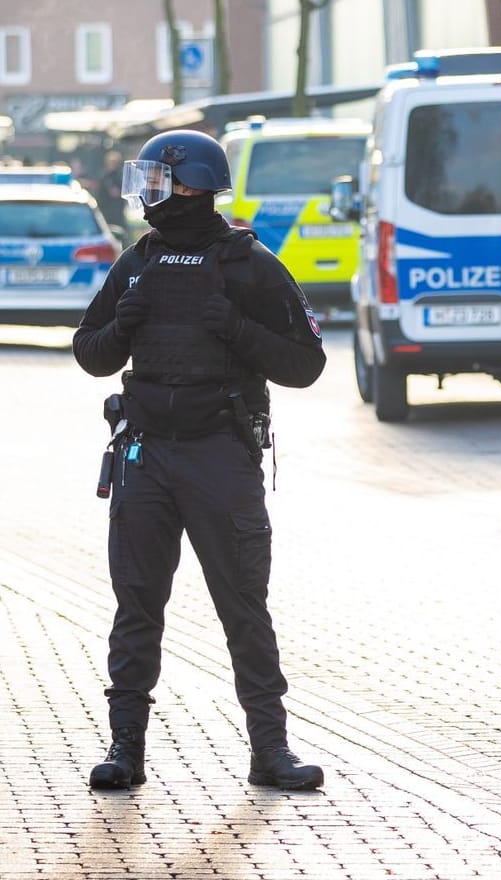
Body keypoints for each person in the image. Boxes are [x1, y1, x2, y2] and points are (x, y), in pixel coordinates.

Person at [72, 129, 327, 791]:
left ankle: (270, 753)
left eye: (163, 183)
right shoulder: (136, 262)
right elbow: (91, 352)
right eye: (148, 182)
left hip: (220, 454)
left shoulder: (252, 266)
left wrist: (237, 329)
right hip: (145, 453)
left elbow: (307, 364)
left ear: (196, 186)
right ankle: (125, 750)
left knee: (243, 606)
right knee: (137, 608)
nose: (153, 196)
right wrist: (122, 326)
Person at [97, 150, 126, 229]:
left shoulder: (121, 176)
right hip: (105, 212)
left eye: (114, 162)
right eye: (110, 162)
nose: (111, 165)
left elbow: (121, 192)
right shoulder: (103, 176)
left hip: (118, 213)